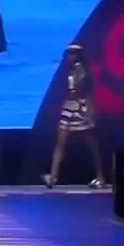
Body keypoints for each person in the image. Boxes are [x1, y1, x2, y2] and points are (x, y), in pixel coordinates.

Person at [42, 44, 106, 188]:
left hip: (79, 108)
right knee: (61, 143)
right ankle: (53, 176)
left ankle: (100, 176)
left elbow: (81, 91)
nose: (69, 57)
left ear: (78, 55)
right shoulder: (73, 70)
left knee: (91, 145)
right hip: (71, 107)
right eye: (69, 54)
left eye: (72, 54)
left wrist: (89, 112)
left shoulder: (82, 70)